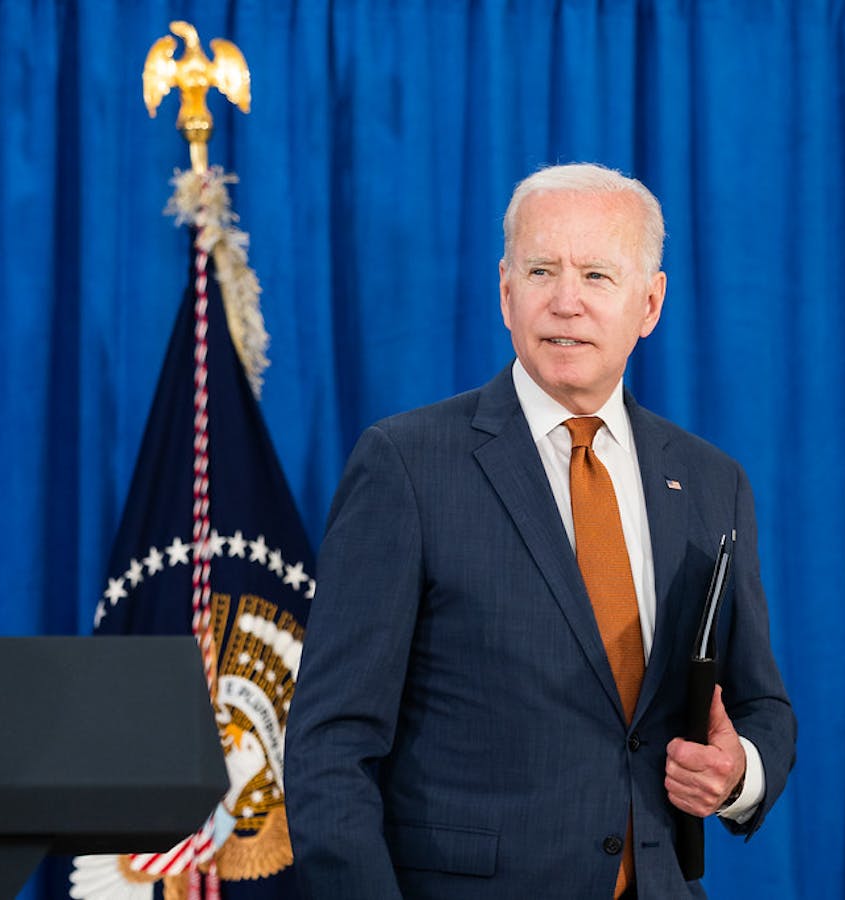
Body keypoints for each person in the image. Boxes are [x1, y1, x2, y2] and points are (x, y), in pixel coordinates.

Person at [284, 163, 796, 899]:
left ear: (650, 303)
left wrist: (740, 773)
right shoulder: (407, 465)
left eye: (596, 275)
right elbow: (331, 745)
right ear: (506, 291)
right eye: (541, 271)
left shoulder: (713, 482)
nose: (565, 302)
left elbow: (761, 705)